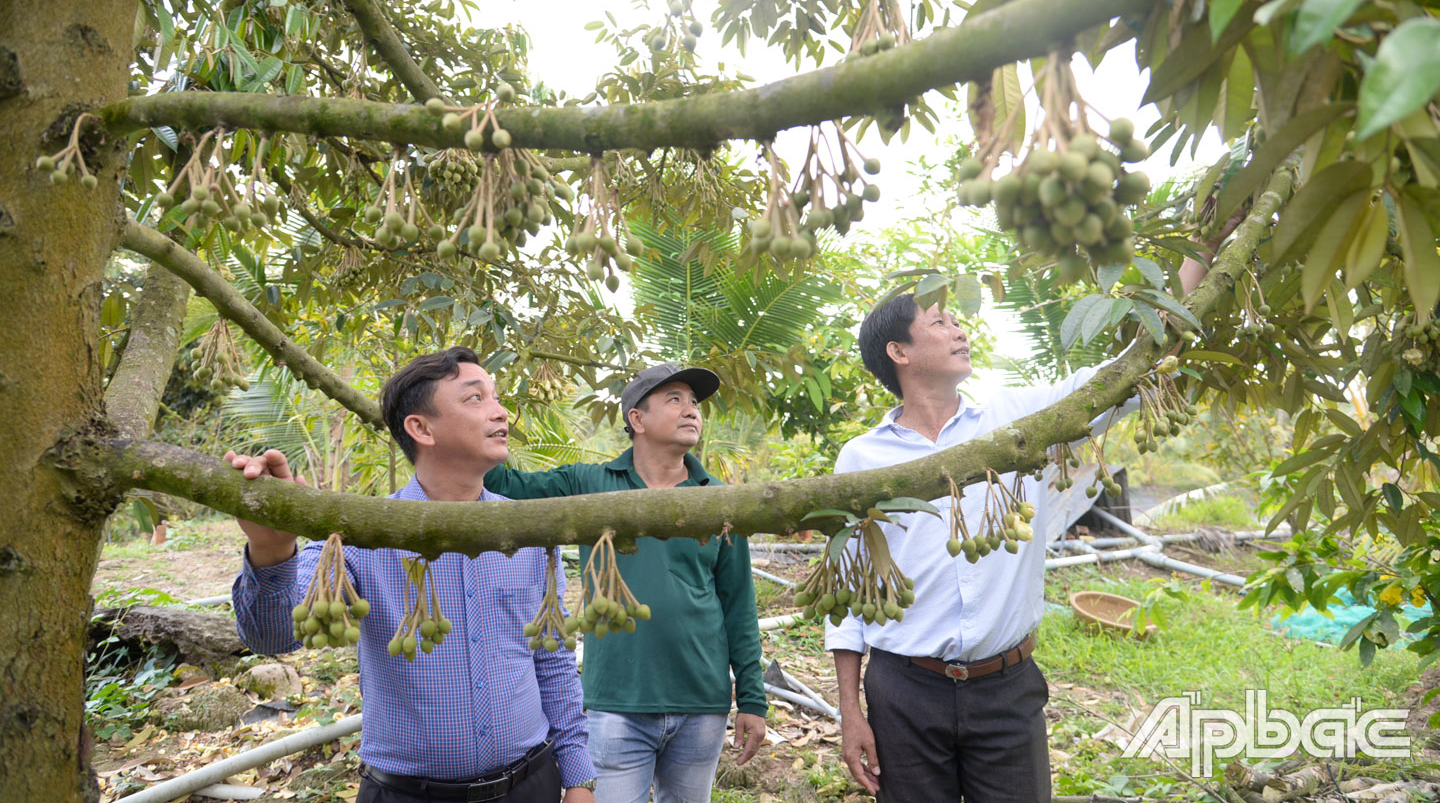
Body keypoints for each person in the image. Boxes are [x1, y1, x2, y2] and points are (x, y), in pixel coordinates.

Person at [828, 254, 1220, 802]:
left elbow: (1121, 376)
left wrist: (1199, 252)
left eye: (956, 320)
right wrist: (851, 713)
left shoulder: (1018, 422)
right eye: (939, 322)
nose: (959, 329)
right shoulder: (862, 458)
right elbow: (848, 596)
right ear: (899, 352)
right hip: (903, 689)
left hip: (1006, 687)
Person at [229, 346, 597, 803]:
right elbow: (272, 638)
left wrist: (578, 776)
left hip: (532, 785)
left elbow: (554, 658)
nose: (501, 412)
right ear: (420, 428)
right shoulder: (358, 536)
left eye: (497, 397)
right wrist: (272, 549)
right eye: (475, 398)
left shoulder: (530, 535)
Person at [484, 363, 767, 803]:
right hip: (616, 702)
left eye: (694, 402)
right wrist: (483, 426)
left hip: (702, 701)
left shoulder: (716, 498)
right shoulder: (590, 484)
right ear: (637, 419)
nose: (691, 410)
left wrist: (751, 699)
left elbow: (738, 604)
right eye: (674, 399)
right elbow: (504, 487)